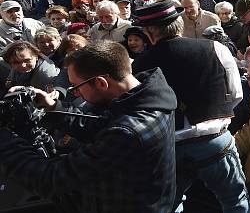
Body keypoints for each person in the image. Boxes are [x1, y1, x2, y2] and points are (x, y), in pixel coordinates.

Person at [0, 41, 178, 212]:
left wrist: (5, 139)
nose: (75, 92)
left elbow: (52, 180)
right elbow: (98, 126)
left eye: (76, 86)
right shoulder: (147, 96)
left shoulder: (128, 132)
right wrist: (53, 106)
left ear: (101, 82)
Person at [131, 0, 249, 212]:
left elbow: (140, 110)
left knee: (170, 205)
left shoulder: (138, 65)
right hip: (213, 140)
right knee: (234, 201)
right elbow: (236, 94)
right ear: (179, 23)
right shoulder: (215, 48)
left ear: (149, 34)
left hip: (169, 147)